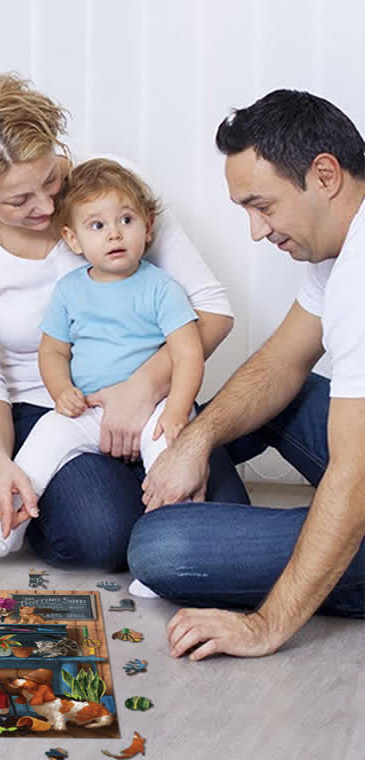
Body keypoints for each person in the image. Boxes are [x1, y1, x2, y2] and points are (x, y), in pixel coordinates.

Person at [0, 73, 249, 569]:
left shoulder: (112, 194)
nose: (48, 206)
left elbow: (212, 309)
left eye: (51, 178)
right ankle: (60, 502)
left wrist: (141, 389)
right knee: (102, 537)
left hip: (154, 388)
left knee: (224, 518)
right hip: (48, 406)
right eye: (19, 200)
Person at [129, 89, 365, 659]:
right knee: (282, 394)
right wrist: (196, 442)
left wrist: (264, 626)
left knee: (163, 548)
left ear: (325, 175)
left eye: (264, 206)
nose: (258, 232)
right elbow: (281, 362)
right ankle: (188, 483)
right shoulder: (340, 248)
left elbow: (356, 478)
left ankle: (305, 548)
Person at [0, 158, 204, 557]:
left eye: (126, 220)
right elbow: (54, 351)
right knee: (45, 438)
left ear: (148, 228)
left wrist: (177, 412)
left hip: (154, 409)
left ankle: (168, 550)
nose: (114, 233)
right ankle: (9, 525)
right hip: (90, 408)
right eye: (97, 226)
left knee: (170, 464)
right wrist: (61, 391)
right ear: (73, 239)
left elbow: (188, 355)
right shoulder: (70, 290)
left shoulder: (161, 288)